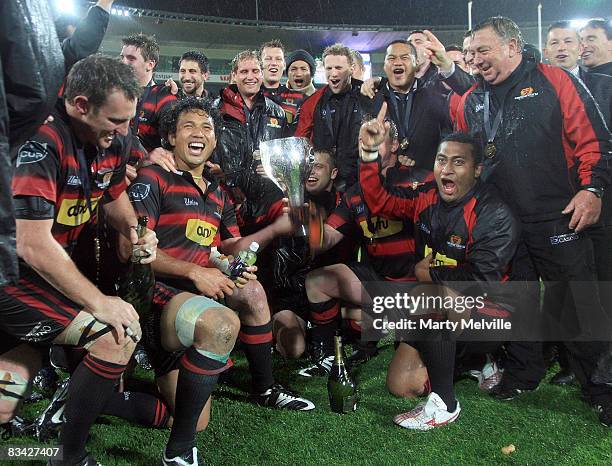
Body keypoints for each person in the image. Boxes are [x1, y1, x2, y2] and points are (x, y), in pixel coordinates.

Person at [448, 16, 612, 427]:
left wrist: (591, 190)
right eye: (471, 52)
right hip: (503, 224)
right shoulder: (472, 100)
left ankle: (602, 388)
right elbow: (470, 163)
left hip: (559, 215)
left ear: (512, 46)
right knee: (517, 300)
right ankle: (523, 374)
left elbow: (594, 140)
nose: (476, 59)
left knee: (574, 302)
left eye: (483, 50)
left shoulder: (554, 80)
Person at [0, 55, 159, 465]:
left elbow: (110, 194)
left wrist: (134, 230)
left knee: (5, 399)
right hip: (12, 274)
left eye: (130, 119)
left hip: (38, 272)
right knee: (113, 335)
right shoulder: (39, 141)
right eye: (116, 121)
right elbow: (31, 243)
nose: (126, 132)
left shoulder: (113, 138)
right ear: (80, 104)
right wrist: (100, 301)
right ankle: (68, 458)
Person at [129, 97, 315, 417]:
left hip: (202, 291)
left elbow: (233, 245)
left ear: (215, 139)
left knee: (252, 290)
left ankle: (265, 387)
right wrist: (194, 272)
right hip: (157, 299)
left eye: (207, 127)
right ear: (171, 138)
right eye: (189, 126)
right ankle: (97, 397)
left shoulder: (216, 193)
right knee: (187, 414)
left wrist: (276, 229)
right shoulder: (154, 178)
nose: (199, 132)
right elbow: (135, 252)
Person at [358, 107, 519, 430]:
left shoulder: (494, 213)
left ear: (477, 170)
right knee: (401, 386)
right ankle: (462, 362)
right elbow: (380, 201)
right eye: (442, 160)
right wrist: (369, 152)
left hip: (494, 313)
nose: (447, 169)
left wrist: (430, 275)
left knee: (429, 294)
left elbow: (482, 280)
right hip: (444, 306)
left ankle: (446, 402)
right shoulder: (425, 199)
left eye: (458, 162)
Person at [300, 118, 432, 376]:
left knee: (409, 373)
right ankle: (327, 354)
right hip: (380, 283)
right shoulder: (355, 193)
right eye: (363, 143)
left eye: (376, 140)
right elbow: (324, 239)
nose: (368, 147)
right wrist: (305, 216)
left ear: (394, 145)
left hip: (421, 288)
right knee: (318, 280)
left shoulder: (420, 182)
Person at [212, 50, 287, 234]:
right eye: (244, 72)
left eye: (255, 71)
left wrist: (275, 165)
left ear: (262, 74)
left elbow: (286, 155)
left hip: (268, 203)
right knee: (230, 257)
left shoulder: (277, 113)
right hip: (228, 204)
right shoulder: (215, 110)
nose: (250, 77)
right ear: (234, 76)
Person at [359, 39, 452, 170]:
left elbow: (446, 141)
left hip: (425, 179)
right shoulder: (370, 99)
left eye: (405, 57)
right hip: (384, 179)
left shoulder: (435, 98)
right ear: (384, 66)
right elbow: (361, 142)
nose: (397, 62)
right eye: (391, 58)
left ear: (416, 63)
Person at [295, 43, 366, 191]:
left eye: (338, 68)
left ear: (351, 69)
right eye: (329, 68)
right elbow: (300, 142)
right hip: (325, 186)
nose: (333, 73)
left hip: (359, 181)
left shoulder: (367, 96)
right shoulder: (312, 102)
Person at [120, 33, 177, 154]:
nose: (124, 63)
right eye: (122, 57)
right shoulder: (113, 93)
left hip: (144, 169)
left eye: (131, 58)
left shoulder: (163, 98)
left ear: (150, 64)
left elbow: (172, 143)